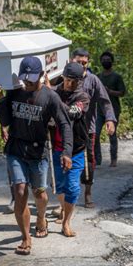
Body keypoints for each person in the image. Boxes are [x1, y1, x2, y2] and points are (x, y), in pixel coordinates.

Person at [0, 56, 73, 255]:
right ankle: (25, 238)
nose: (27, 83)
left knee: (40, 193)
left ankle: (40, 217)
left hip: (38, 152)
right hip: (16, 149)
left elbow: (64, 124)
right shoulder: (14, 92)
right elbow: (5, 119)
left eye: (31, 79)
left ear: (41, 75)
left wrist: (66, 152)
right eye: (25, 79)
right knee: (20, 190)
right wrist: (0, 99)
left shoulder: (50, 97)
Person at [71, 48, 116, 209]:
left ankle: (87, 192)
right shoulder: (64, 79)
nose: (82, 65)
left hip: (88, 128)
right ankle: (67, 197)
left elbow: (105, 101)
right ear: (71, 61)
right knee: (65, 160)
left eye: (85, 63)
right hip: (67, 128)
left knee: (89, 161)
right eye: (78, 62)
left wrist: (110, 119)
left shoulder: (93, 80)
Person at [52, 62, 90, 237]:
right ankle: (62, 208)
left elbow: (72, 113)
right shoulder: (53, 91)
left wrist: (52, 98)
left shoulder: (83, 97)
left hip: (75, 149)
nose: (71, 84)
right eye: (68, 80)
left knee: (73, 187)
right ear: (63, 78)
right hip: (56, 147)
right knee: (59, 185)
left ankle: (66, 222)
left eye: (75, 81)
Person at [95, 51, 126, 167]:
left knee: (112, 134)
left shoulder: (117, 77)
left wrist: (110, 92)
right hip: (99, 110)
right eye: (103, 60)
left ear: (112, 62)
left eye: (108, 60)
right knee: (95, 134)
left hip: (113, 110)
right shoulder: (98, 77)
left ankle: (114, 159)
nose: (105, 62)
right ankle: (98, 159)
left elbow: (122, 92)